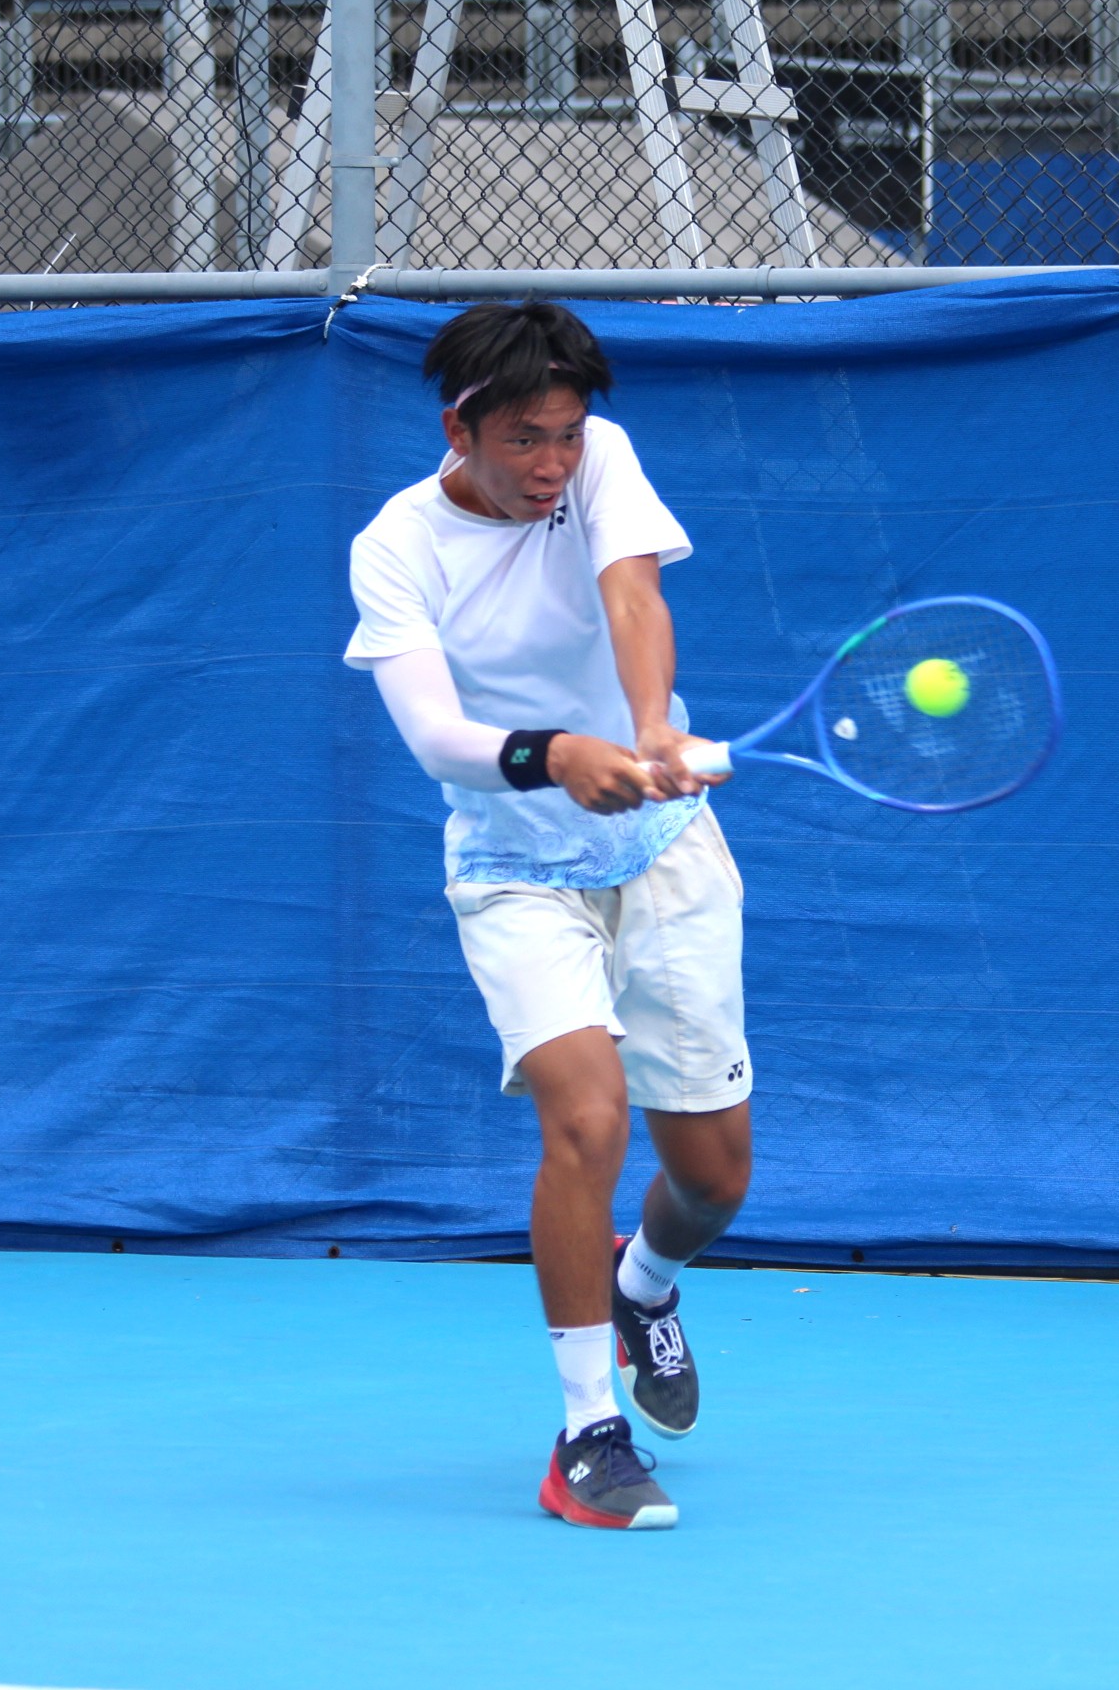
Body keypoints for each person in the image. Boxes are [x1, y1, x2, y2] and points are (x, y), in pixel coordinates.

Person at [343, 300, 752, 1532]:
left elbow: (633, 596)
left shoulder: (600, 463)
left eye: (567, 434)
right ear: (457, 428)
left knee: (713, 1178)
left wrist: (650, 727)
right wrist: (556, 753)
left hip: (665, 853)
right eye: (524, 439)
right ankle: (588, 1435)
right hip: (516, 871)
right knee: (587, 1116)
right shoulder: (395, 547)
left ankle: (648, 1283)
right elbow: (434, 736)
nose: (552, 464)